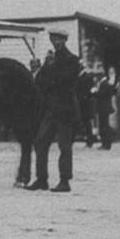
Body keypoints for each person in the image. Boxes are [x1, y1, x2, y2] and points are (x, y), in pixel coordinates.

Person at [29, 29, 80, 192]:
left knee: (64, 146)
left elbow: (65, 81)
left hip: (65, 109)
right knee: (40, 142)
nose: (56, 42)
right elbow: (40, 82)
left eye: (59, 39)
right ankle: (41, 179)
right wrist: (45, 67)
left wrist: (51, 67)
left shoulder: (72, 60)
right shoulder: (51, 61)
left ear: (65, 40)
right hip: (51, 109)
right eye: (53, 39)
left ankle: (65, 181)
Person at [92, 67, 116, 150]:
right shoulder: (103, 83)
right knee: (103, 126)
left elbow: (101, 94)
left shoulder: (105, 84)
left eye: (97, 76)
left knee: (104, 126)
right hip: (103, 108)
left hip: (104, 108)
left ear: (100, 76)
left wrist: (94, 92)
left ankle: (106, 144)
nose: (96, 78)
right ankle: (105, 143)